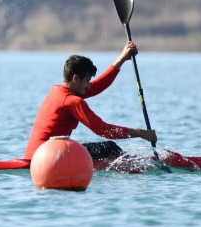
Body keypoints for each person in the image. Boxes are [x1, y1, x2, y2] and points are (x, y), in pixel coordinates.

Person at [22, 41, 157, 161]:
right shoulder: (72, 102)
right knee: (110, 147)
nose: (88, 85)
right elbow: (103, 130)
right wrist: (140, 133)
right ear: (75, 78)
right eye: (87, 81)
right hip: (46, 158)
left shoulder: (57, 90)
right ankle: (136, 165)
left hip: (37, 155)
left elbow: (98, 86)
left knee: (99, 148)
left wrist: (122, 59)